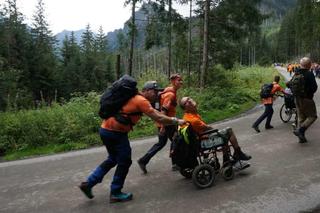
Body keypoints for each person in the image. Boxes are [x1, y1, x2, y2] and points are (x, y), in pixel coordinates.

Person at [79, 81, 186, 203]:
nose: (156, 93)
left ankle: (89, 183)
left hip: (106, 130)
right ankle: (115, 192)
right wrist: (176, 121)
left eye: (157, 91)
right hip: (116, 133)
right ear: (145, 90)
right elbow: (158, 117)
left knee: (113, 158)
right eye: (154, 91)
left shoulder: (134, 98)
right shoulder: (141, 100)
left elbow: (155, 113)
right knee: (124, 161)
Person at [179, 96, 251, 166]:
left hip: (199, 140)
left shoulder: (188, 116)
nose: (189, 100)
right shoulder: (193, 119)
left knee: (223, 134)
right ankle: (237, 154)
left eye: (189, 98)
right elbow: (209, 128)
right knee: (228, 131)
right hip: (203, 142)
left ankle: (228, 159)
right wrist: (218, 131)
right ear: (185, 109)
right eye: (186, 102)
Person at [137, 74, 183, 173]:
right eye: (179, 80)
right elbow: (164, 110)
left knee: (161, 143)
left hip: (164, 122)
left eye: (181, 80)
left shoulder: (169, 90)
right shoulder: (170, 94)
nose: (181, 82)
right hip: (167, 123)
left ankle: (143, 160)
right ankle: (175, 163)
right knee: (176, 140)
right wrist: (163, 127)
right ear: (174, 82)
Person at [289, 57, 318, 143]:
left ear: (301, 64)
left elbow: (290, 84)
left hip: (297, 99)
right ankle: (300, 131)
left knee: (301, 117)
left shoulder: (296, 73)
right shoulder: (309, 74)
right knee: (312, 116)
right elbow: (314, 87)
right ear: (309, 65)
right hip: (307, 99)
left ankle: (301, 138)